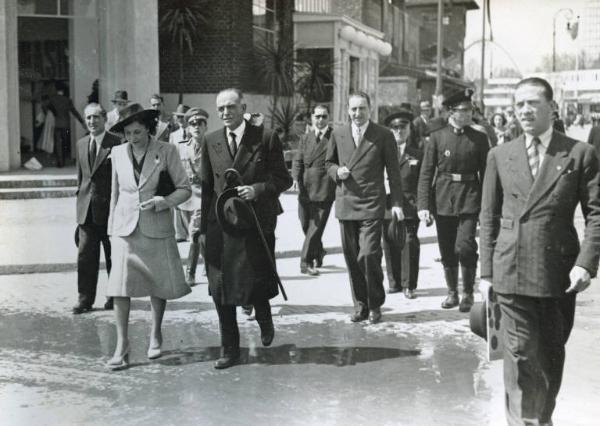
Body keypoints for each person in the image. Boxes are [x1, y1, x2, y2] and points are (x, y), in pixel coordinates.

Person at [479, 77, 600, 426]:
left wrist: (585, 265)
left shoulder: (578, 154)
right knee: (520, 358)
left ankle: (540, 418)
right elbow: (488, 216)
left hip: (557, 276)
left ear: (552, 106)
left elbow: (596, 214)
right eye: (519, 105)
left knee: (548, 360)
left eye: (533, 103)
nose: (525, 111)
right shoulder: (499, 155)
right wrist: (486, 274)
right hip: (510, 272)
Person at [197, 88, 292, 369]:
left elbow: (283, 179)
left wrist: (258, 189)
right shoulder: (210, 140)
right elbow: (205, 189)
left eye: (231, 107)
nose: (225, 113)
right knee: (221, 287)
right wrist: (202, 230)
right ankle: (230, 349)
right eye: (221, 108)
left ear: (243, 107)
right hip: (220, 225)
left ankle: (263, 315)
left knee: (256, 281)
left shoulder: (265, 137)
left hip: (254, 223)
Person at [105, 103, 192, 370]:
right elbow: (114, 194)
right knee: (120, 288)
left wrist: (163, 201)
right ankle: (122, 344)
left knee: (158, 284)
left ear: (149, 129)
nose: (133, 138)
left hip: (156, 225)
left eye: (138, 132)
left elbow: (184, 189)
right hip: (124, 228)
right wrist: (111, 230)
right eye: (128, 133)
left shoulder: (167, 151)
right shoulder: (117, 153)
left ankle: (155, 333)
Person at [325, 92, 404, 324]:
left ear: (370, 109)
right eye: (353, 109)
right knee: (352, 258)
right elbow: (328, 163)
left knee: (369, 254)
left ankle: (375, 303)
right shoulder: (338, 133)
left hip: (372, 203)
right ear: (347, 111)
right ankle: (360, 305)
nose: (357, 114)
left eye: (361, 109)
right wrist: (336, 172)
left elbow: (394, 173)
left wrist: (397, 203)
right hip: (346, 202)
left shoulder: (383, 135)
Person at [417, 89, 489, 313]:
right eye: (463, 110)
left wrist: (488, 207)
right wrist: (423, 206)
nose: (468, 114)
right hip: (443, 199)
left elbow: (487, 174)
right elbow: (426, 173)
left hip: (470, 197)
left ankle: (468, 292)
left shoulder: (479, 138)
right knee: (447, 248)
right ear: (451, 112)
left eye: (470, 110)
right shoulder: (437, 137)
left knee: (466, 246)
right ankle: (452, 292)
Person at [73, 103, 121, 314]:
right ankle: (85, 300)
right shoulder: (81, 144)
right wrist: (79, 207)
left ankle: (114, 297)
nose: (92, 122)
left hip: (110, 211)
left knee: (113, 257)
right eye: (88, 118)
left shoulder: (116, 143)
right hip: (86, 212)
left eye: (96, 117)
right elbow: (81, 178)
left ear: (104, 119)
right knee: (85, 257)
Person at [382, 109, 422, 299]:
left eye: (403, 127)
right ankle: (394, 282)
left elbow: (423, 182)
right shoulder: (382, 152)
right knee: (389, 241)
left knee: (409, 241)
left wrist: (423, 206)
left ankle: (409, 284)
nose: (399, 131)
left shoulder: (417, 154)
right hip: (388, 203)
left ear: (409, 129)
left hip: (410, 205)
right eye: (395, 127)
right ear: (390, 130)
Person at [292, 104, 335, 276]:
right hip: (305, 188)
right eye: (317, 116)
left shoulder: (334, 138)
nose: (320, 120)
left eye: (324, 116)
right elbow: (297, 160)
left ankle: (306, 261)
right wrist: (295, 179)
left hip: (324, 188)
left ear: (328, 118)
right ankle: (319, 251)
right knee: (305, 224)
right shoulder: (306, 138)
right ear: (312, 118)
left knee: (315, 227)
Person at [176, 107, 209, 285]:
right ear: (188, 128)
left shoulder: (212, 146)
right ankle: (209, 261)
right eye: (192, 123)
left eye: (200, 123)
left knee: (194, 232)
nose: (196, 126)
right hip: (186, 198)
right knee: (195, 234)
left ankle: (190, 272)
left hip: (204, 196)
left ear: (206, 126)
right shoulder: (181, 148)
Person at [48, 81, 86, 167]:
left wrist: (55, 113)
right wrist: (82, 122)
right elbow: (74, 112)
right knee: (64, 143)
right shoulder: (67, 100)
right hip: (66, 124)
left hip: (57, 123)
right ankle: (63, 161)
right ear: (63, 90)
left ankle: (59, 162)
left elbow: (46, 107)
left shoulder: (52, 99)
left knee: (58, 143)